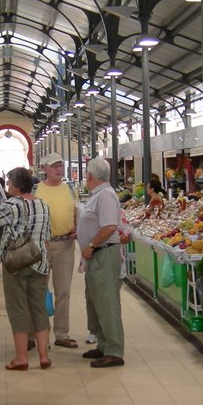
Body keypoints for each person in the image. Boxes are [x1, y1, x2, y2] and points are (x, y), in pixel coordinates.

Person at [0, 167, 52, 370]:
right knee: (39, 307)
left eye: (9, 183)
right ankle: (43, 356)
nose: (7, 186)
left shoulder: (11, 205)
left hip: (15, 263)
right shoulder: (43, 204)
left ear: (15, 185)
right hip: (39, 261)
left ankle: (21, 357)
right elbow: (47, 236)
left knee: (18, 308)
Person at [78, 157, 126, 368]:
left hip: (104, 254)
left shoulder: (105, 195)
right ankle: (103, 344)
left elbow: (109, 227)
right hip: (97, 254)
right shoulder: (97, 195)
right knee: (95, 299)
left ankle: (114, 350)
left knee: (107, 302)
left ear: (90, 176)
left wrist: (91, 245)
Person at [34, 152, 80, 349]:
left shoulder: (70, 189)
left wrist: (77, 225)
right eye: (54, 166)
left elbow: (78, 211)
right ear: (44, 168)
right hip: (41, 246)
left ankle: (61, 333)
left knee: (63, 291)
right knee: (38, 291)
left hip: (65, 246)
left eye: (61, 165)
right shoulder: (36, 190)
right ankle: (38, 333)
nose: (59, 169)